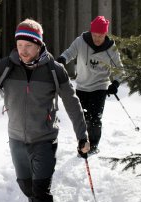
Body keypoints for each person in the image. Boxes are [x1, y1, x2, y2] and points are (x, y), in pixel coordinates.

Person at [0, 18, 90, 202]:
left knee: (41, 192)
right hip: (16, 138)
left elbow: (72, 104)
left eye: (28, 45)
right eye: (19, 45)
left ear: (39, 45)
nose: (23, 50)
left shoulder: (55, 71)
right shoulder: (5, 67)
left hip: (45, 139)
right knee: (27, 187)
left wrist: (82, 136)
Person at [57, 16, 124, 154]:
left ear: (105, 34)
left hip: (100, 86)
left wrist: (115, 83)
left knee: (94, 119)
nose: (97, 39)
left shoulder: (111, 48)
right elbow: (70, 53)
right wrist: (62, 59)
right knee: (82, 119)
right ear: (91, 32)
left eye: (101, 35)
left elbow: (119, 68)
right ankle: (83, 144)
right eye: (95, 35)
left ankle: (93, 146)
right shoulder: (81, 41)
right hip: (82, 86)